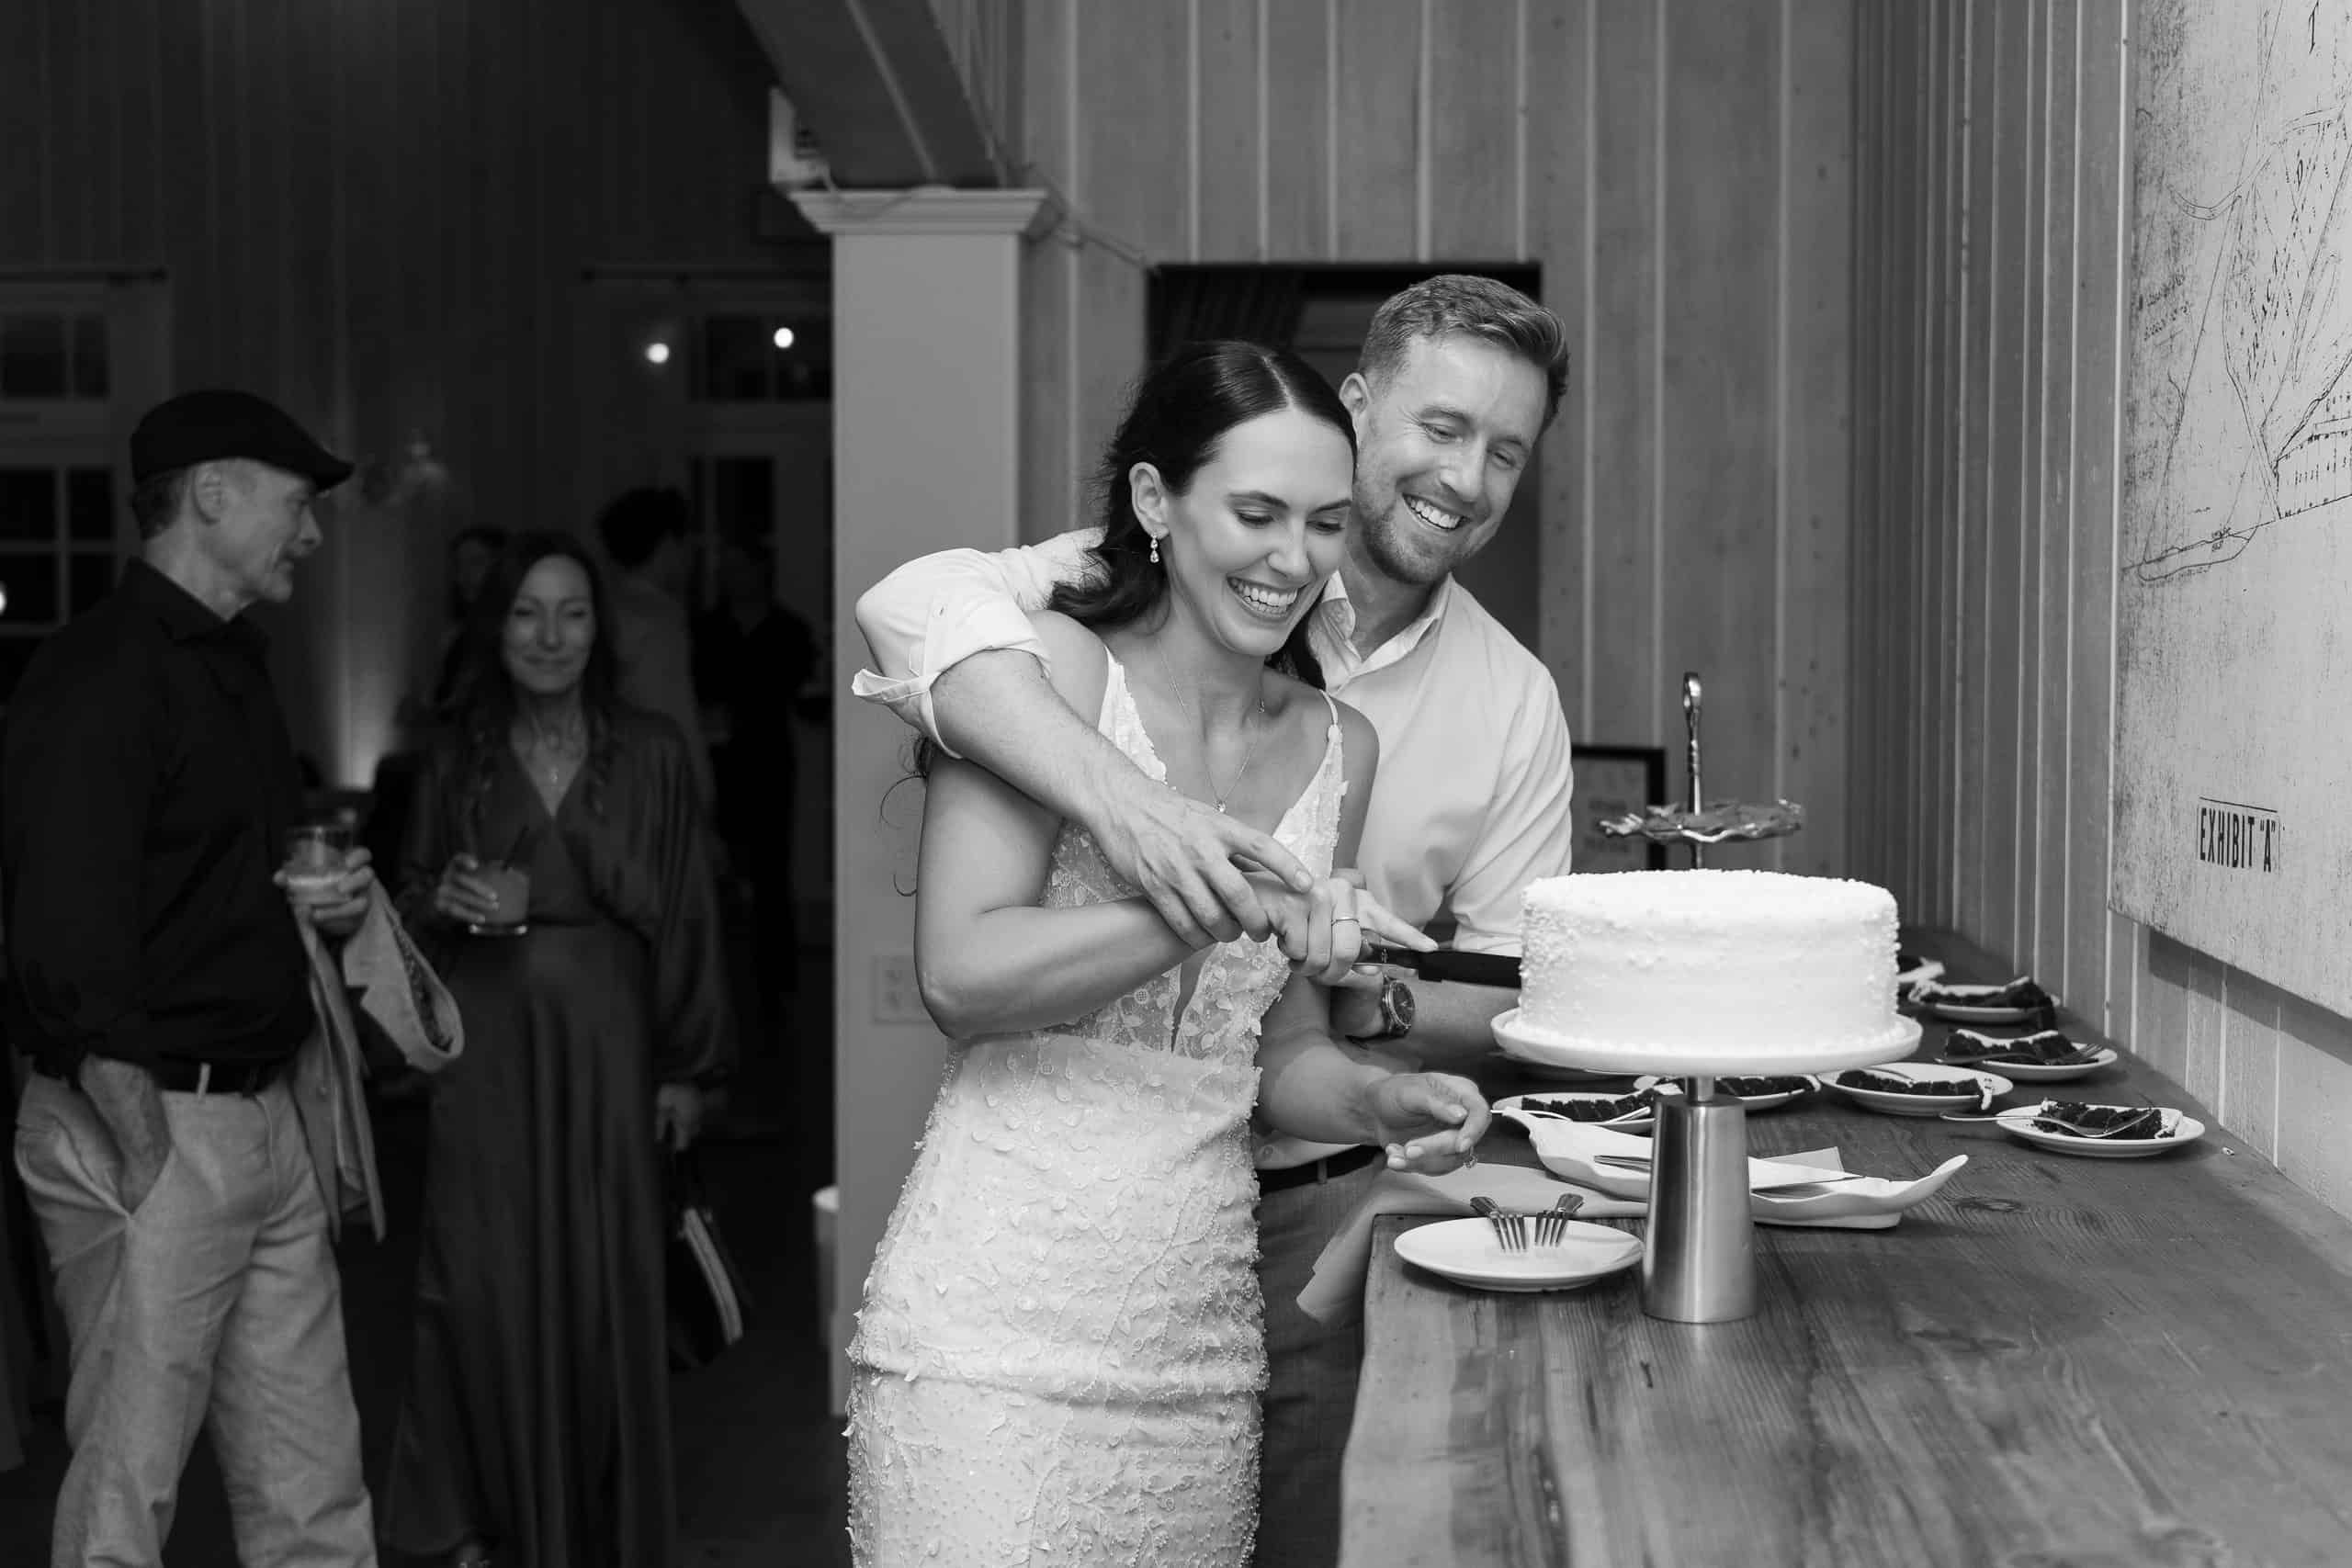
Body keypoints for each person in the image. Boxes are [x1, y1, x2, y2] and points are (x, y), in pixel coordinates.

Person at [852, 275, 1576, 1567]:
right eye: (1255, 513)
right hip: (1001, 1319)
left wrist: (1374, 1096)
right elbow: (962, 973)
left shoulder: (1343, 742)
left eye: (1319, 524)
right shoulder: (1048, 664)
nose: (1294, 559)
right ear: (1152, 504)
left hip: (1200, 1338)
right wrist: (1225, 898)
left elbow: (1274, 1051)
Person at [2, 389, 382, 1565]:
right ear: (211, 494)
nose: (310, 535)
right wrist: (141, 1143)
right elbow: (60, 930)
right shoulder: (98, 675)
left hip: (262, 1120)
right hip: (151, 1123)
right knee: (124, 1503)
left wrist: (322, 906)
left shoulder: (234, 667)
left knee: (315, 1496)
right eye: (294, 503)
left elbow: (204, 885)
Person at [381, 530, 736, 1568]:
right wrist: (436, 899)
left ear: (600, 629)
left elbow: (687, 916)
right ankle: (481, 1522)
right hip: (484, 1060)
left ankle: (600, 1531)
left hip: (611, 1059)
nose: (550, 636)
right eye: (528, 612)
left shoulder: (655, 751)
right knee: (479, 1285)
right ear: (497, 629)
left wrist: (686, 1070)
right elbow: (401, 911)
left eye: (572, 613)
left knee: (603, 1289)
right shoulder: (454, 757)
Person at [692, 537, 819, 1037]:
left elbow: (810, 697)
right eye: (725, 568)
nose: (731, 577)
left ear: (762, 571)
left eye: (740, 567)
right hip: (716, 762)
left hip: (768, 761)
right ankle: (715, 983)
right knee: (715, 871)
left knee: (770, 873)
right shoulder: (704, 628)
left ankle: (774, 988)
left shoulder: (789, 629)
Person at [594, 487, 715, 812]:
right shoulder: (657, 617)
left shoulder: (606, 606)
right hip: (657, 784)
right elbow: (673, 712)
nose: (694, 552)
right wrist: (702, 792)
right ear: (667, 545)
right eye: (688, 540)